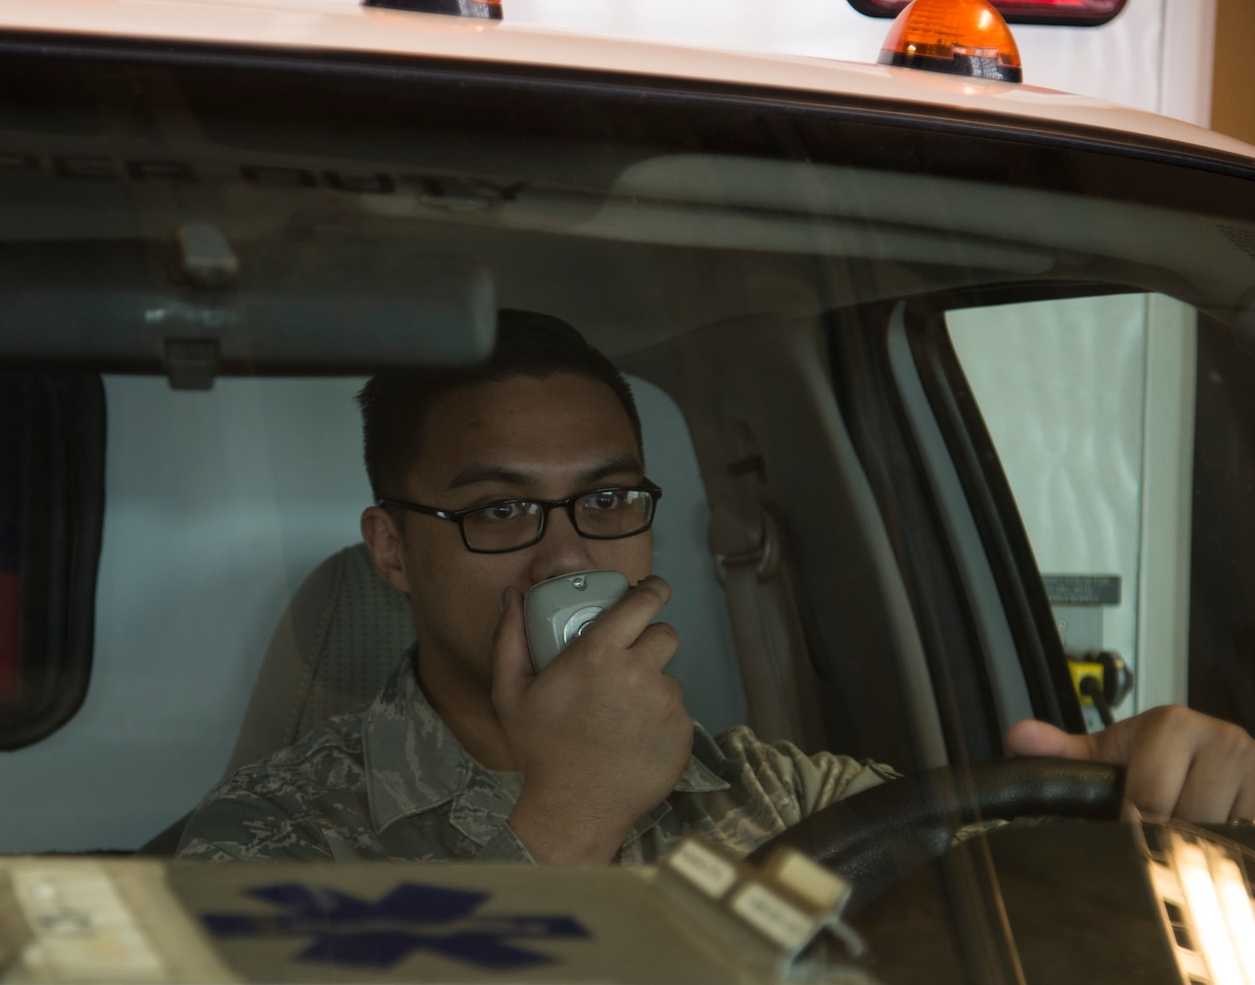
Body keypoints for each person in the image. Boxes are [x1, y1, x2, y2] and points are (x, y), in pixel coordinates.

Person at [176, 312, 1255, 865]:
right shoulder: (276, 828)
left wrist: (1168, 811)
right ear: (392, 552)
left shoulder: (780, 793)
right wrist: (567, 812)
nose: (566, 561)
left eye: (606, 503)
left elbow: (1027, 926)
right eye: (498, 511)